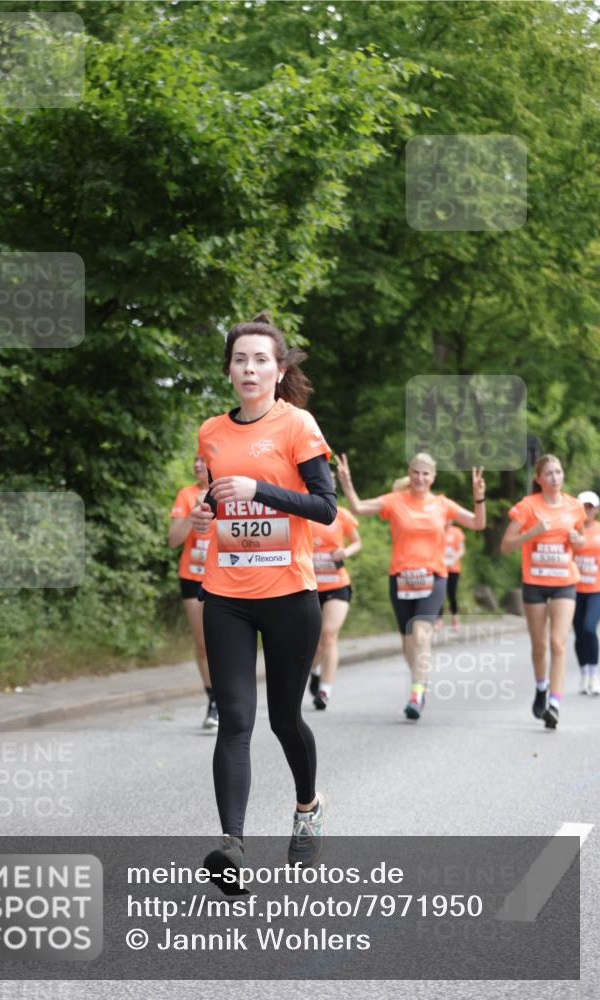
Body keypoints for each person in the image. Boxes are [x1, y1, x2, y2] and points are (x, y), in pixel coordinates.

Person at [190, 311, 336, 888]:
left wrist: (261, 490)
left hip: (289, 594)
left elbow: (325, 508)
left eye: (260, 360)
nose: (249, 369)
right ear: (228, 369)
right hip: (225, 593)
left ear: (278, 370)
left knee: (283, 718)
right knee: (234, 719)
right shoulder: (211, 432)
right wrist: (206, 512)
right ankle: (233, 847)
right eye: (239, 359)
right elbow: (219, 499)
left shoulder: (297, 425)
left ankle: (308, 807)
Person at [336, 452, 485, 721]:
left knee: (420, 634)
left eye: (426, 473)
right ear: (409, 473)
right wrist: (346, 482)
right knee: (408, 645)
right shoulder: (395, 501)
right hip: (401, 578)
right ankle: (421, 679)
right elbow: (358, 507)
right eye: (416, 472)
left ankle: (416, 694)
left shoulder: (442, 504)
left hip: (434, 577)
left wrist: (479, 497)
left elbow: (478, 523)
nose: (420, 478)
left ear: (433, 477)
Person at [500, 454, 585, 730]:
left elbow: (580, 539)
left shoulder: (574, 507)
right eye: (549, 473)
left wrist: (578, 539)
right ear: (538, 479)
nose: (555, 478)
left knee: (558, 642)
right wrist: (532, 532)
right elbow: (506, 546)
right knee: (539, 646)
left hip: (564, 582)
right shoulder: (527, 506)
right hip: (535, 582)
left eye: (558, 472)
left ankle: (555, 704)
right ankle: (541, 687)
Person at [168, 456, 217, 729]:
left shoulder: (229, 491)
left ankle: (231, 697)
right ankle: (214, 701)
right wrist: (194, 511)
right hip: (192, 576)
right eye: (195, 460)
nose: (197, 465)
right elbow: (173, 540)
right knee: (203, 644)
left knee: (223, 642)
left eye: (203, 460)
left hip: (224, 577)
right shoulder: (186, 494)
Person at [308, 483, 361, 710]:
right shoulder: (302, 512)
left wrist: (345, 551)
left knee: (328, 635)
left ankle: (324, 690)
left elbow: (357, 542)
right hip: (308, 586)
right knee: (312, 643)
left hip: (337, 584)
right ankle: (314, 669)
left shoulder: (342, 514)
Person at [572, 490, 600, 696]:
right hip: (573, 589)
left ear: (596, 509)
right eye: (584, 507)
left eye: (590, 507)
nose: (587, 510)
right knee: (579, 633)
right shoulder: (571, 531)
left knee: (590, 628)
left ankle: (594, 675)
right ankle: (584, 674)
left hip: (596, 589)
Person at [436, 521, 465, 631]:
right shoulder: (437, 530)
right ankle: (439, 619)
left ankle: (455, 618)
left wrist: (454, 558)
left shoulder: (456, 532)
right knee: (439, 593)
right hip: (439, 567)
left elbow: (461, 549)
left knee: (451, 593)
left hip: (453, 568)